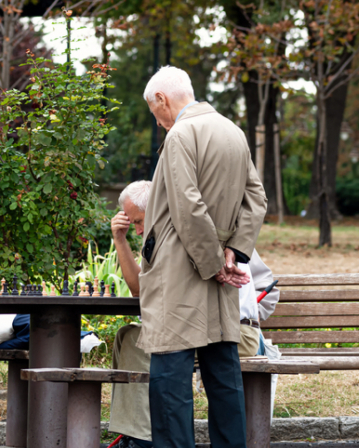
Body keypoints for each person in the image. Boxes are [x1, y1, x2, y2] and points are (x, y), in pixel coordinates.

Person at [138, 66, 267, 448]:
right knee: (223, 377)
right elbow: (255, 198)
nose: (158, 122)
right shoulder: (233, 131)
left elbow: (187, 208)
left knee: (170, 383)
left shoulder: (180, 134)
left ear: (161, 99)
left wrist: (214, 265)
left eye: (154, 111)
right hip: (218, 274)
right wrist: (233, 254)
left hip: (180, 273)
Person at [107, 181, 279, 448]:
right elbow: (140, 292)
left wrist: (250, 314)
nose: (138, 230)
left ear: (156, 208)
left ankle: (142, 440)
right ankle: (138, 434)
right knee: (128, 335)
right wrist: (120, 240)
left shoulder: (193, 232)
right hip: (197, 327)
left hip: (235, 333)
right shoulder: (161, 238)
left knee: (138, 342)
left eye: (139, 221)